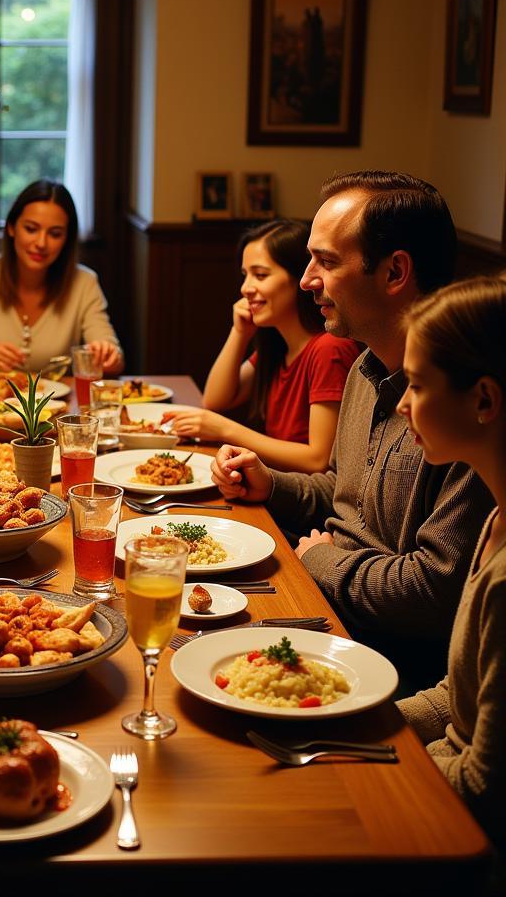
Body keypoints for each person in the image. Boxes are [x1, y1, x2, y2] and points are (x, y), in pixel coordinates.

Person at [209, 171, 495, 690]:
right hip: (323, 609)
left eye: (328, 261)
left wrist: (324, 561)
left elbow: (432, 594)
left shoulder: (460, 408)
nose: (306, 280)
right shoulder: (365, 368)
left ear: (394, 272)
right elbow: (340, 492)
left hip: (382, 660)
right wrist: (271, 484)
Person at [395, 276, 506, 847]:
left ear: (484, 400)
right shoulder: (494, 521)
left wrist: (372, 764)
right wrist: (357, 721)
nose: (401, 404)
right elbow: (452, 700)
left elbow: (483, 789)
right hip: (439, 780)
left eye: (415, 385)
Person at [170, 220, 358, 472]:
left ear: (300, 279)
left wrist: (225, 429)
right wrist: (239, 333)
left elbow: (318, 459)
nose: (245, 288)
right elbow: (215, 399)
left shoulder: (328, 348)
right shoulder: (279, 346)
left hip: (301, 501)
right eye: (245, 275)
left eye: (260, 275)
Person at [0, 180, 123, 374]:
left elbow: (114, 356)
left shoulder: (84, 281)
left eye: (55, 234)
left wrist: (107, 354)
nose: (41, 243)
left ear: (66, 239)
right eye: (31, 229)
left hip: (57, 402)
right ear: (11, 227)